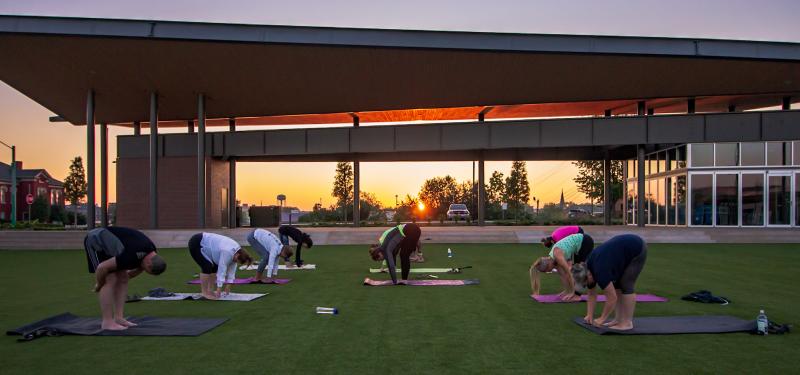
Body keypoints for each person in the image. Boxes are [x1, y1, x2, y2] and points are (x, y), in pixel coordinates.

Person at [84, 227, 167, 330]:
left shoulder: (150, 253)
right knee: (110, 279)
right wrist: (99, 284)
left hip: (115, 243)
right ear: (149, 263)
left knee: (122, 277)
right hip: (97, 238)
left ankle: (119, 318)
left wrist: (126, 278)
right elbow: (102, 268)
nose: (143, 270)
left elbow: (129, 275)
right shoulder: (132, 255)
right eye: (146, 270)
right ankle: (107, 322)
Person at [572, 234, 648, 331]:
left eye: (585, 282)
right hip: (621, 250)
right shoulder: (586, 267)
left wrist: (602, 319)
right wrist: (589, 315)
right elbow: (591, 294)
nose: (587, 285)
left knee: (626, 284)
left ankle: (627, 323)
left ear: (588, 275)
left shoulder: (600, 271)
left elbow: (612, 298)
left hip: (636, 248)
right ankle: (618, 319)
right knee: (617, 285)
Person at [530, 232, 594, 301]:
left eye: (547, 270)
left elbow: (569, 274)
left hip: (585, 241)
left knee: (580, 269)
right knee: (576, 269)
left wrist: (572, 292)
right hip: (578, 245)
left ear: (548, 265)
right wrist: (567, 291)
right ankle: (573, 292)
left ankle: (577, 295)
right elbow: (562, 275)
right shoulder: (554, 261)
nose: (549, 271)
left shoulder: (557, 256)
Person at [188, 232, 253, 299]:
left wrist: (228, 286)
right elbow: (222, 270)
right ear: (237, 255)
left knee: (215, 267)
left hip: (208, 245)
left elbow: (232, 270)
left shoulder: (237, 252)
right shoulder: (228, 251)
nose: (235, 261)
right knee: (206, 266)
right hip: (197, 242)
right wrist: (219, 289)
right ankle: (204, 293)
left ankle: (210, 290)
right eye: (236, 260)